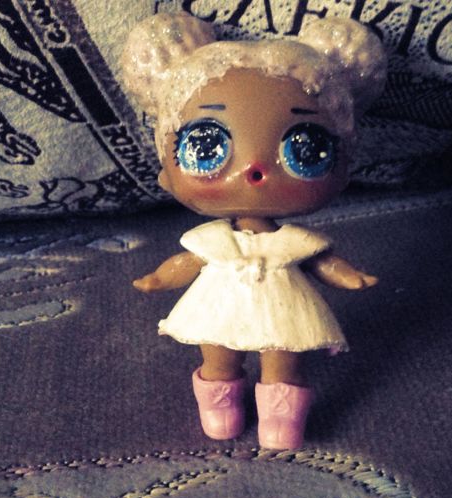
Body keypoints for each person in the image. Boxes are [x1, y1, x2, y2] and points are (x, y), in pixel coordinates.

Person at [122, 12, 385, 449]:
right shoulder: (215, 241)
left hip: (285, 308)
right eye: (206, 146)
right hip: (219, 306)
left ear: (342, 169)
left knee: (283, 360)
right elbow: (187, 262)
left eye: (306, 148)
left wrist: (350, 276)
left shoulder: (291, 243)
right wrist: (158, 278)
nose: (255, 169)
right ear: (166, 170)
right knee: (218, 354)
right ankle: (219, 405)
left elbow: (321, 262)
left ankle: (282, 419)